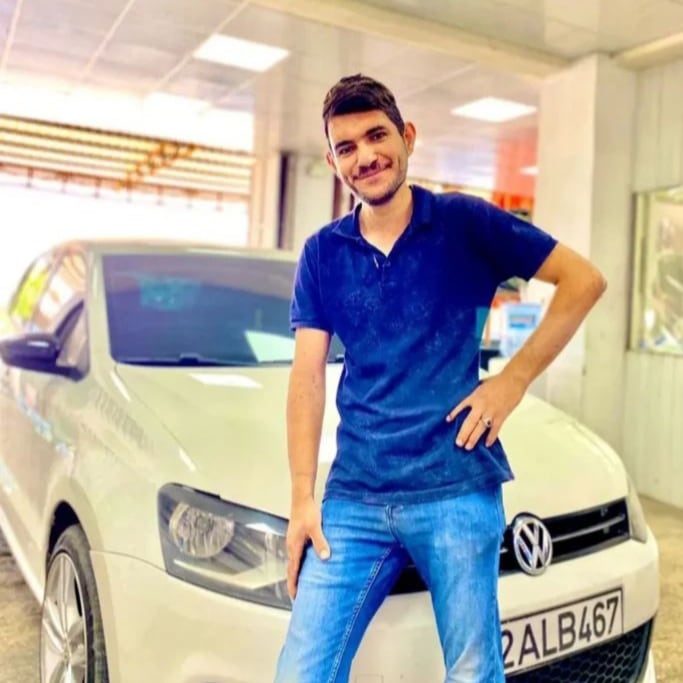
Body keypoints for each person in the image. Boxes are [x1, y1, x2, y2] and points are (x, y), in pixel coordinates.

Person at [274, 74, 606, 683]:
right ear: (332, 161)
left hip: (455, 488)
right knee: (302, 672)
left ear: (407, 136)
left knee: (473, 673)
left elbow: (583, 281)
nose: (365, 156)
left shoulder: (463, 223)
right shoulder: (323, 253)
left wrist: (511, 382)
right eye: (346, 147)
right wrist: (301, 498)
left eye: (377, 136)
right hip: (354, 498)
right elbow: (306, 378)